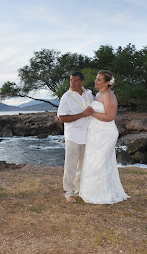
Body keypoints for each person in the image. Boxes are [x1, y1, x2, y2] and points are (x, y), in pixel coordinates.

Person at [79, 70, 129, 204]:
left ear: (107, 83)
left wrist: (92, 113)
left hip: (105, 134)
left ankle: (102, 194)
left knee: (100, 164)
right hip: (95, 134)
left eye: (99, 79)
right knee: (92, 162)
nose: (95, 81)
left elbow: (110, 117)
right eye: (96, 78)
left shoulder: (109, 96)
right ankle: (91, 192)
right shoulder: (99, 94)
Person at [57, 72, 94, 202]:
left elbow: (95, 112)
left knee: (84, 166)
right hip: (73, 135)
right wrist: (82, 114)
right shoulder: (66, 97)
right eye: (71, 80)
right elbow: (62, 118)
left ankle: (80, 190)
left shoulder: (89, 95)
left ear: (82, 82)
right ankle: (69, 192)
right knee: (71, 165)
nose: (72, 83)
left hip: (87, 135)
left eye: (75, 81)